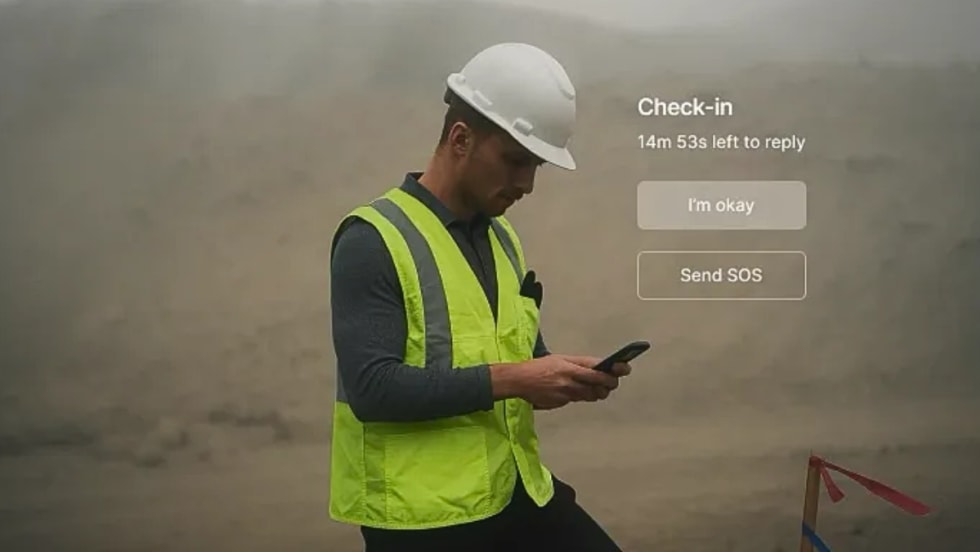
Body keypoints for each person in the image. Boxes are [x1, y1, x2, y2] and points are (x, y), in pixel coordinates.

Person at [328, 42, 632, 552]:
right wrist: (521, 377)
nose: (528, 184)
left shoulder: (502, 239)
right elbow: (373, 389)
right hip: (423, 523)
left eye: (536, 166)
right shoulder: (372, 239)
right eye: (516, 161)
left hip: (514, 494)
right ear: (461, 138)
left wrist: (562, 376)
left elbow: (519, 365)